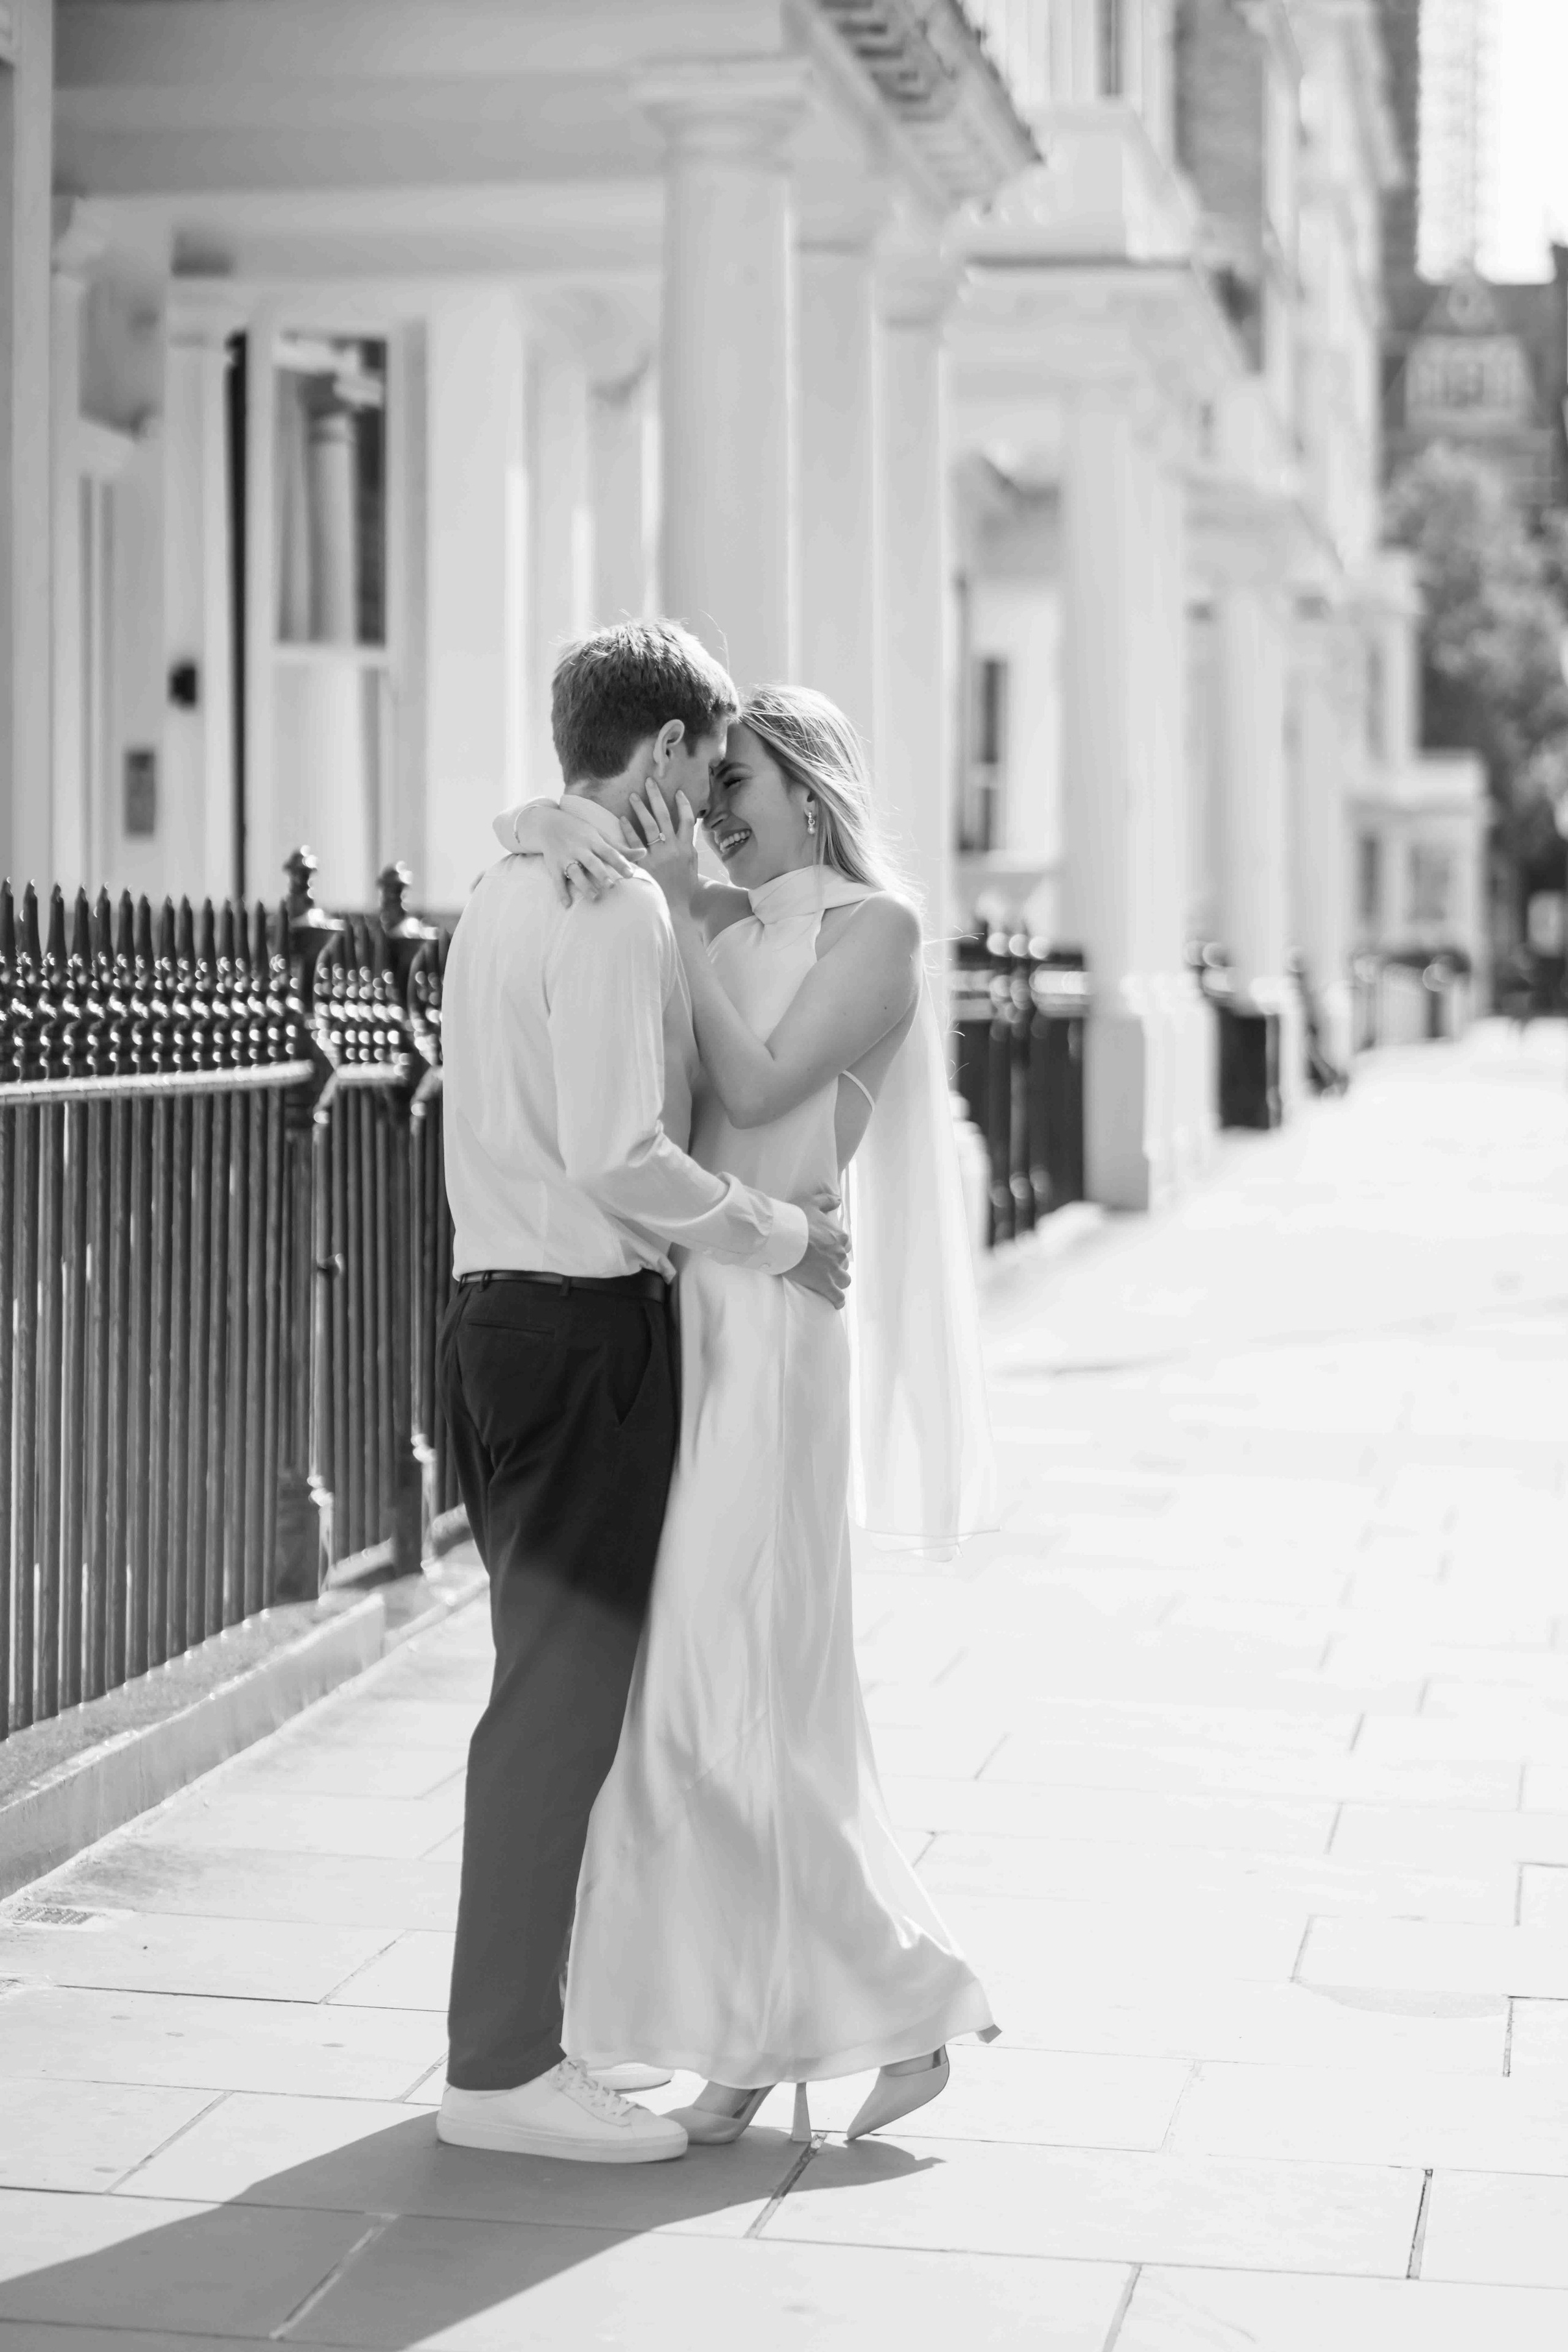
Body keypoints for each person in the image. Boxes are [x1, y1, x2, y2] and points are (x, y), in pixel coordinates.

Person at [497, 682, 997, 2147]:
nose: (716, 810)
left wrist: (677, 895)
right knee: (700, 1700)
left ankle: (854, 2010)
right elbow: (566, 870)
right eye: (709, 783)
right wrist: (552, 825)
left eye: (743, 783)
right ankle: (800, 2023)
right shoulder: (706, 914)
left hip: (782, 1321)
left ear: (811, 785)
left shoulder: (876, 933)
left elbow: (761, 1079)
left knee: (734, 1687)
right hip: (693, 1307)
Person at [435, 624, 850, 2167]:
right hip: (579, 1334)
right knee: (556, 1710)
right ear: (665, 755)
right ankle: (500, 2069)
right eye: (705, 756)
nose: (712, 784)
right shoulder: (608, 916)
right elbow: (624, 1153)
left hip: (489, 1319)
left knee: (542, 1696)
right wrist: (781, 1233)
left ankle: (522, 2047)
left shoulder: (502, 886)